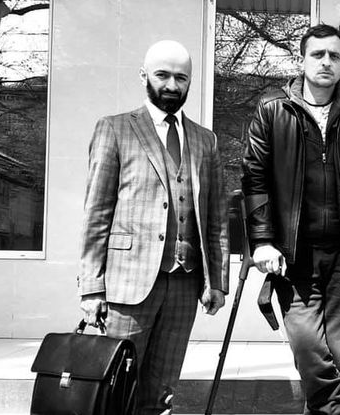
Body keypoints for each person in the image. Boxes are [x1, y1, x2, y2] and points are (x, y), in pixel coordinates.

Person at [242, 23, 340, 415]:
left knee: (339, 356)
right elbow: (255, 180)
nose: (325, 62)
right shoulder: (273, 109)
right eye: (317, 54)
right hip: (293, 253)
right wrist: (262, 241)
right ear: (302, 60)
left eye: (334, 56)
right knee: (308, 344)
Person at [78, 40, 229, 415]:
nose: (172, 85)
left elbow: (216, 218)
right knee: (114, 390)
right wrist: (92, 287)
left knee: (161, 394)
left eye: (181, 77)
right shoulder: (115, 129)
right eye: (163, 75)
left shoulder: (205, 140)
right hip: (128, 286)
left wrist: (217, 281)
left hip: (184, 285)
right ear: (143, 76)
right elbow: (96, 213)